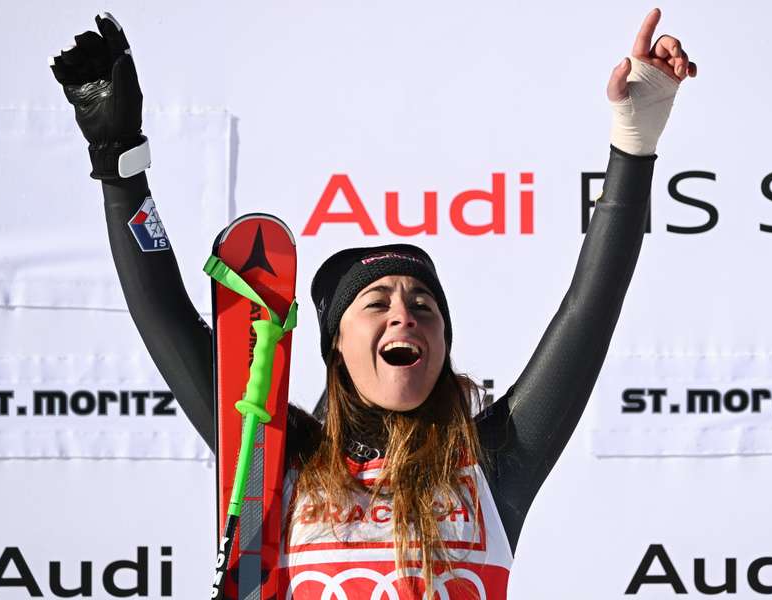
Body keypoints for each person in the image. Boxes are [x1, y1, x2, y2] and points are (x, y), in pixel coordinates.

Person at [50, 8, 695, 598]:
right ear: (335, 343)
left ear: (442, 343)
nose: (404, 314)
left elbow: (590, 307)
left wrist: (634, 141)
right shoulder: (274, 460)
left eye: (424, 305)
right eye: (377, 302)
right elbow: (166, 318)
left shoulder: (493, 466)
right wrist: (119, 165)